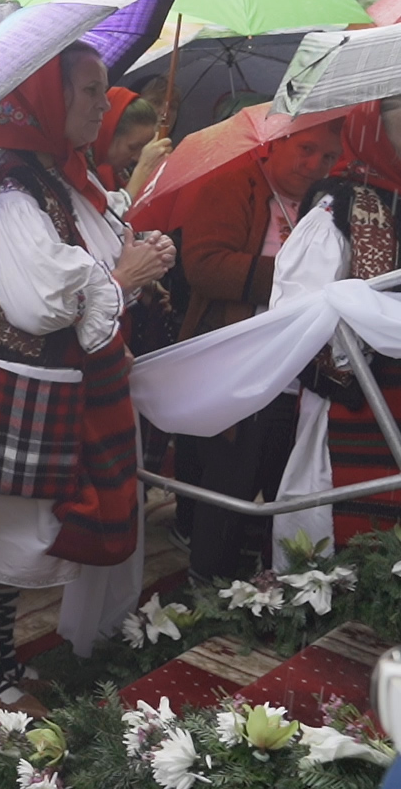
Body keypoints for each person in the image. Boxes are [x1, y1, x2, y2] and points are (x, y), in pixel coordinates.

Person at [0, 43, 175, 717]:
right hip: (10, 390)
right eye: (91, 91)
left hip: (44, 388)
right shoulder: (5, 186)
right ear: (46, 97)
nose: (104, 105)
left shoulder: (51, 174)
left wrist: (134, 256)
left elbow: (94, 254)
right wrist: (121, 279)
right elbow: (38, 303)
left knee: (10, 540)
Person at [175, 119, 343, 580]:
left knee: (285, 486)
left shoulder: (329, 205)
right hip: (241, 369)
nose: (315, 165)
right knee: (229, 483)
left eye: (328, 157)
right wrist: (299, 277)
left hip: (301, 378)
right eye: (306, 149)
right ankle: (207, 589)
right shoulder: (232, 186)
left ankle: (275, 590)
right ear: (277, 141)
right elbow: (204, 266)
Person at [275, 100, 401, 551]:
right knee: (335, 537)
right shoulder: (340, 204)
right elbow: (299, 315)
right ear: (371, 121)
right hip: (356, 403)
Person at [91, 87, 170, 201]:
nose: (138, 158)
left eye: (144, 149)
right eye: (133, 147)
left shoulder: (124, 175)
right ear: (107, 135)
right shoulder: (81, 180)